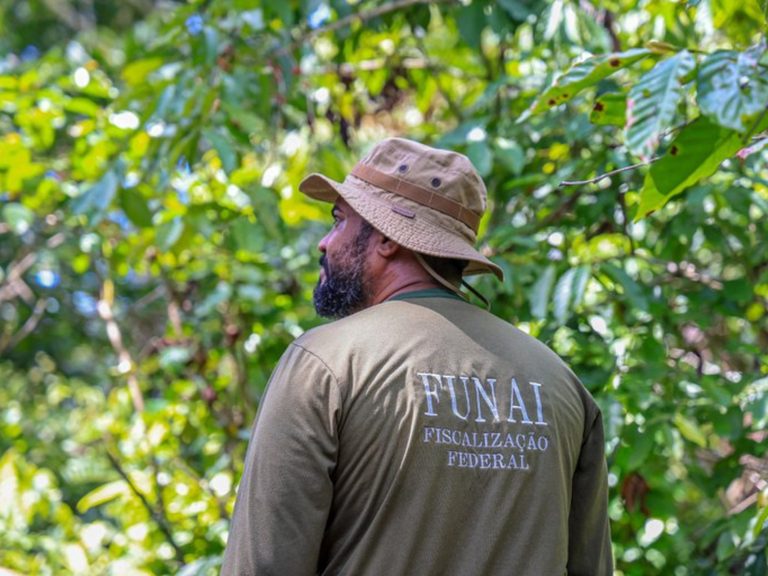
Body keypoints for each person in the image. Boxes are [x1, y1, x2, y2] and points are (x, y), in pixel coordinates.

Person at [221, 138, 613, 575]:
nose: (324, 243)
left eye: (338, 221)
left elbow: (262, 566)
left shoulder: (325, 364)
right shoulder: (558, 382)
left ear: (387, 236)